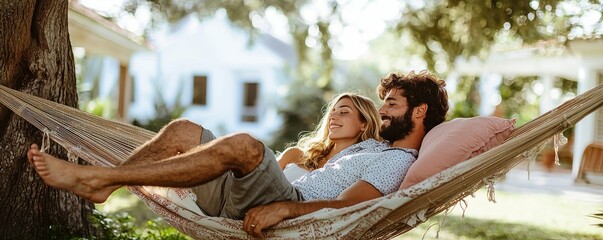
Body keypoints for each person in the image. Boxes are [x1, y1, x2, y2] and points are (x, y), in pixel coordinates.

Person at [27, 70, 449, 238]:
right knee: (183, 131)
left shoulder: (397, 161)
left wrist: (285, 208)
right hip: (255, 196)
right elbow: (322, 154)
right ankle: (105, 183)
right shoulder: (371, 146)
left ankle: (99, 178)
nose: (383, 110)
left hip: (283, 203)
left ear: (420, 111)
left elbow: (349, 207)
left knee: (246, 145)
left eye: (392, 104)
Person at [278, 92, 383, 181]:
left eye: (344, 112)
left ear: (364, 124)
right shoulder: (295, 155)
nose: (332, 117)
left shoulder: (355, 171)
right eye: (332, 112)